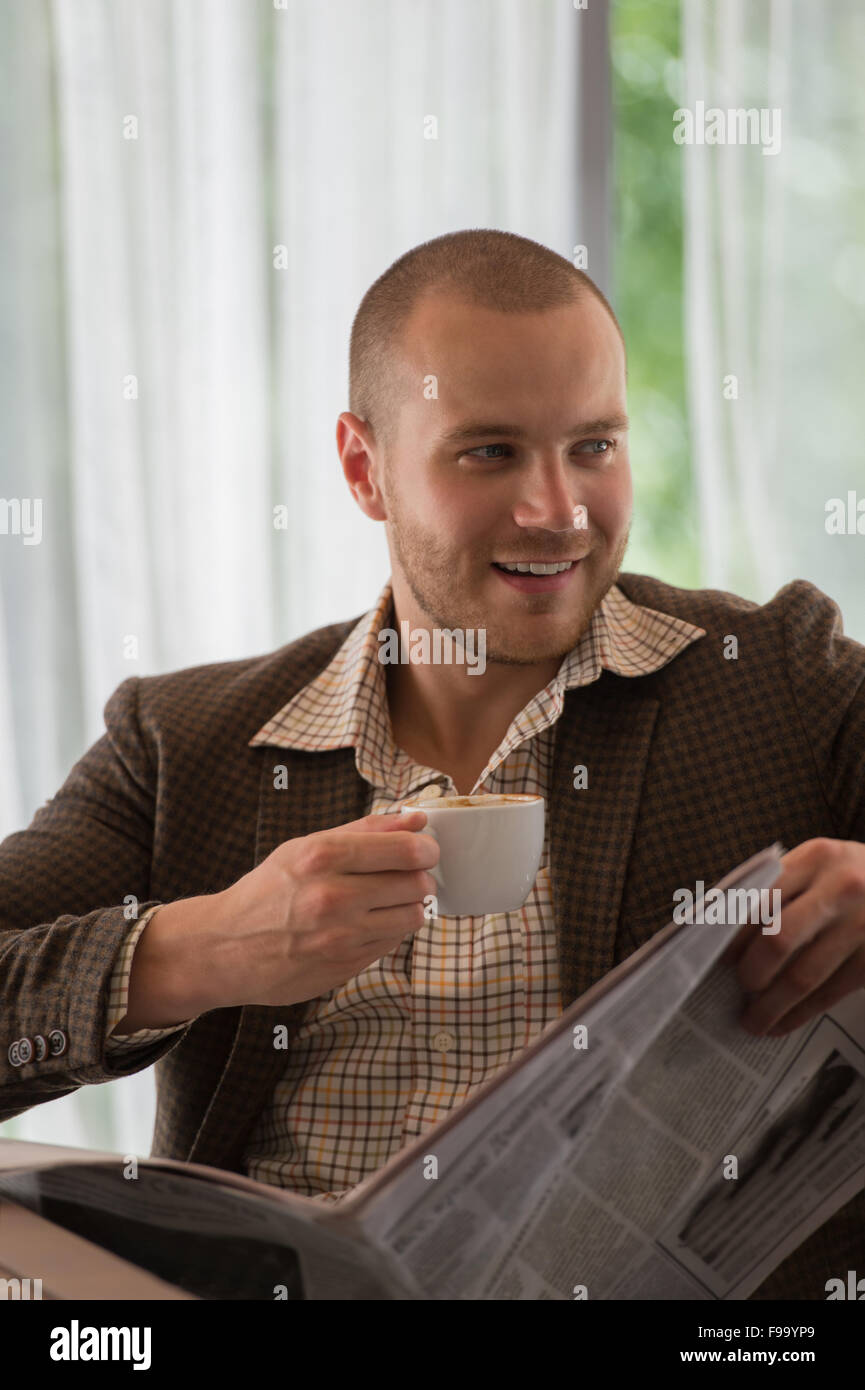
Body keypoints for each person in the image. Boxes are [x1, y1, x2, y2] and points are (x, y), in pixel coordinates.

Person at [2, 229, 864, 1300]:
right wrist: (199, 948)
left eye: (593, 445)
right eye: (490, 452)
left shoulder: (777, 677)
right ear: (365, 468)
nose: (558, 510)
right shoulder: (184, 744)